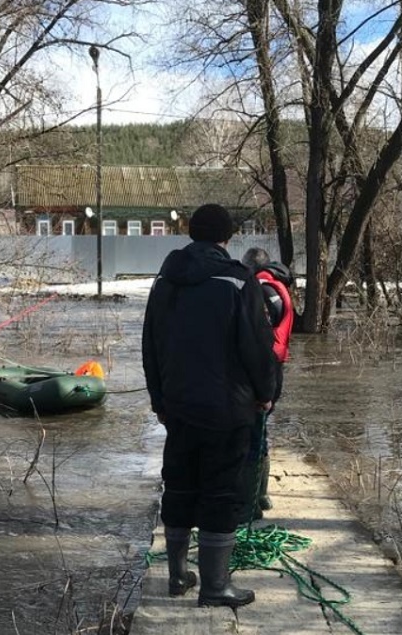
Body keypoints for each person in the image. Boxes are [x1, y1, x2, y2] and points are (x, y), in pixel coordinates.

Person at [142, 204, 276, 609]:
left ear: (190, 233)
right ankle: (216, 587)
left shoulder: (165, 282)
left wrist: (159, 400)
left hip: (179, 407)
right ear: (227, 237)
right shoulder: (238, 281)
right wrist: (266, 391)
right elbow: (257, 346)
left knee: (180, 486)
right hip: (227, 409)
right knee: (221, 493)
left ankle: (178, 576)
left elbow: (150, 346)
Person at [240, 247, 294, 520]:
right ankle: (261, 495)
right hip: (276, 366)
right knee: (261, 432)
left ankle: (252, 503)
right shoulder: (279, 286)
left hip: (264, 367)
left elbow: (258, 335)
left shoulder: (260, 288)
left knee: (254, 434)